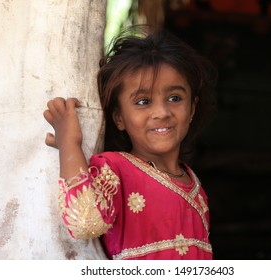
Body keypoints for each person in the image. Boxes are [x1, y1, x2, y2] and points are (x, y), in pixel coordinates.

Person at [43, 26, 217, 260]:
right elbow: (85, 223)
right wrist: (69, 144)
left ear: (192, 108)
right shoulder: (115, 169)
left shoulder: (194, 184)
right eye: (143, 102)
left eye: (175, 98)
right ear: (119, 118)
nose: (162, 112)